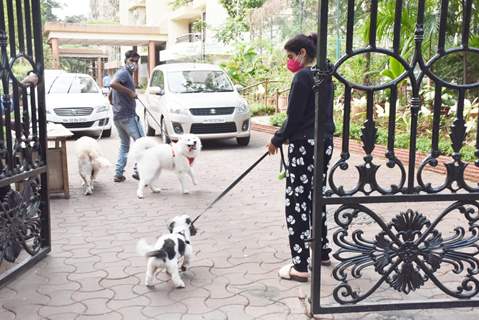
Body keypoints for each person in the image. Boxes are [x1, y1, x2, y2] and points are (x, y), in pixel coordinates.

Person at [267, 33, 335, 282]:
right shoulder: (325, 75)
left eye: (291, 56)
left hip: (304, 146)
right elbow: (315, 113)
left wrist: (277, 138)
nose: (290, 61)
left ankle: (300, 266)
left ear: (303, 53)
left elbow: (294, 116)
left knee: (297, 201)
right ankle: (322, 252)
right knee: (317, 196)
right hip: (324, 142)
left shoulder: (303, 76)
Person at [110, 50, 144, 182]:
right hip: (128, 116)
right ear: (126, 61)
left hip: (119, 116)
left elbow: (111, 91)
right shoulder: (124, 73)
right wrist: (130, 93)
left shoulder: (126, 74)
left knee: (125, 145)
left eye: (136, 61)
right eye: (132, 61)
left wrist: (113, 102)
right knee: (142, 143)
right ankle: (139, 171)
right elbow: (113, 84)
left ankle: (118, 173)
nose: (134, 64)